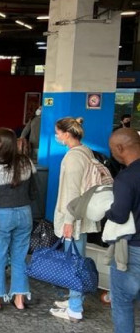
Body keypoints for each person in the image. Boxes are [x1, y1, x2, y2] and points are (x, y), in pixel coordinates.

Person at [0, 128, 36, 311]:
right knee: (20, 258)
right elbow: (34, 192)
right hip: (25, 214)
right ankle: (19, 299)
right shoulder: (26, 162)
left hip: (1, 215)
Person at [50, 117, 97, 322]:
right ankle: (73, 299)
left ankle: (75, 307)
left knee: (74, 262)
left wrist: (68, 221)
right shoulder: (85, 151)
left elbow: (72, 193)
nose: (57, 136)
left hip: (74, 219)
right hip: (81, 216)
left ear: (67, 134)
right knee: (75, 259)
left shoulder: (73, 158)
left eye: (58, 133)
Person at [105, 128, 140, 333]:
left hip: (133, 249)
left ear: (119, 148)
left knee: (122, 302)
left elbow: (118, 215)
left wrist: (106, 211)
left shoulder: (126, 178)